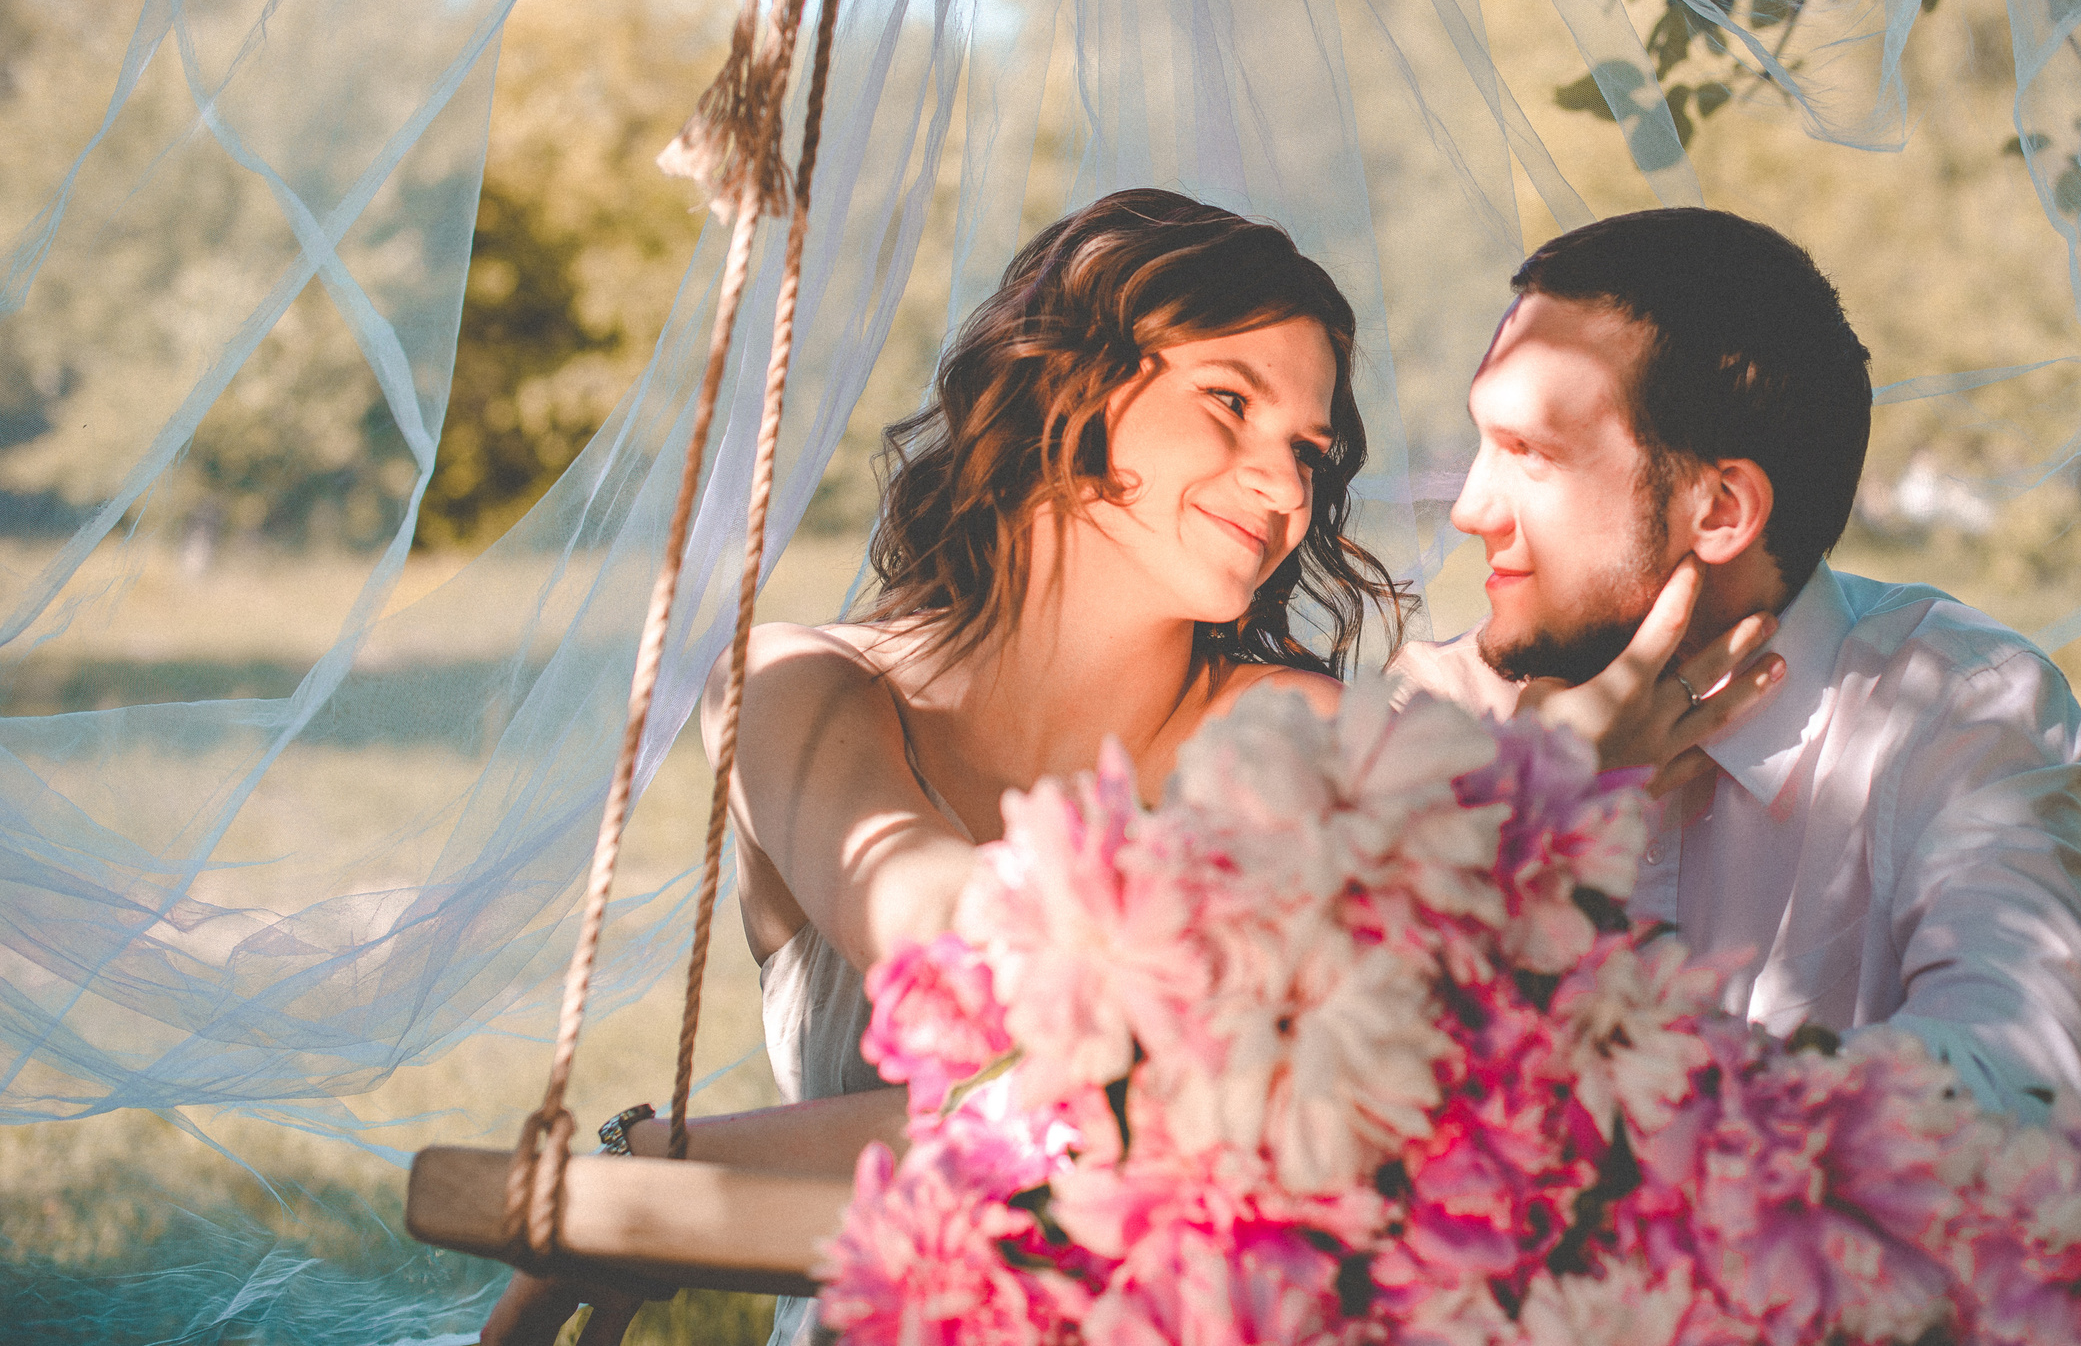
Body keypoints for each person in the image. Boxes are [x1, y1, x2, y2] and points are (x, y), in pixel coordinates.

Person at [479, 190, 1773, 1346]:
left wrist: (669, 1159)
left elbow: (1288, 1100)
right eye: (1230, 406)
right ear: (1062, 388)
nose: (1278, 485)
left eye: (1307, 452)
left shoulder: (1296, 726)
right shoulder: (805, 687)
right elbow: (997, 979)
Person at [1389, 207, 2081, 1121]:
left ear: (1722, 509)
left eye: (1530, 455)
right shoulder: (1441, 714)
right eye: (1482, 442)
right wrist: (1540, 813)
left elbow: (2021, 1086)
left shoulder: (1953, 707)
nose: (1469, 508)